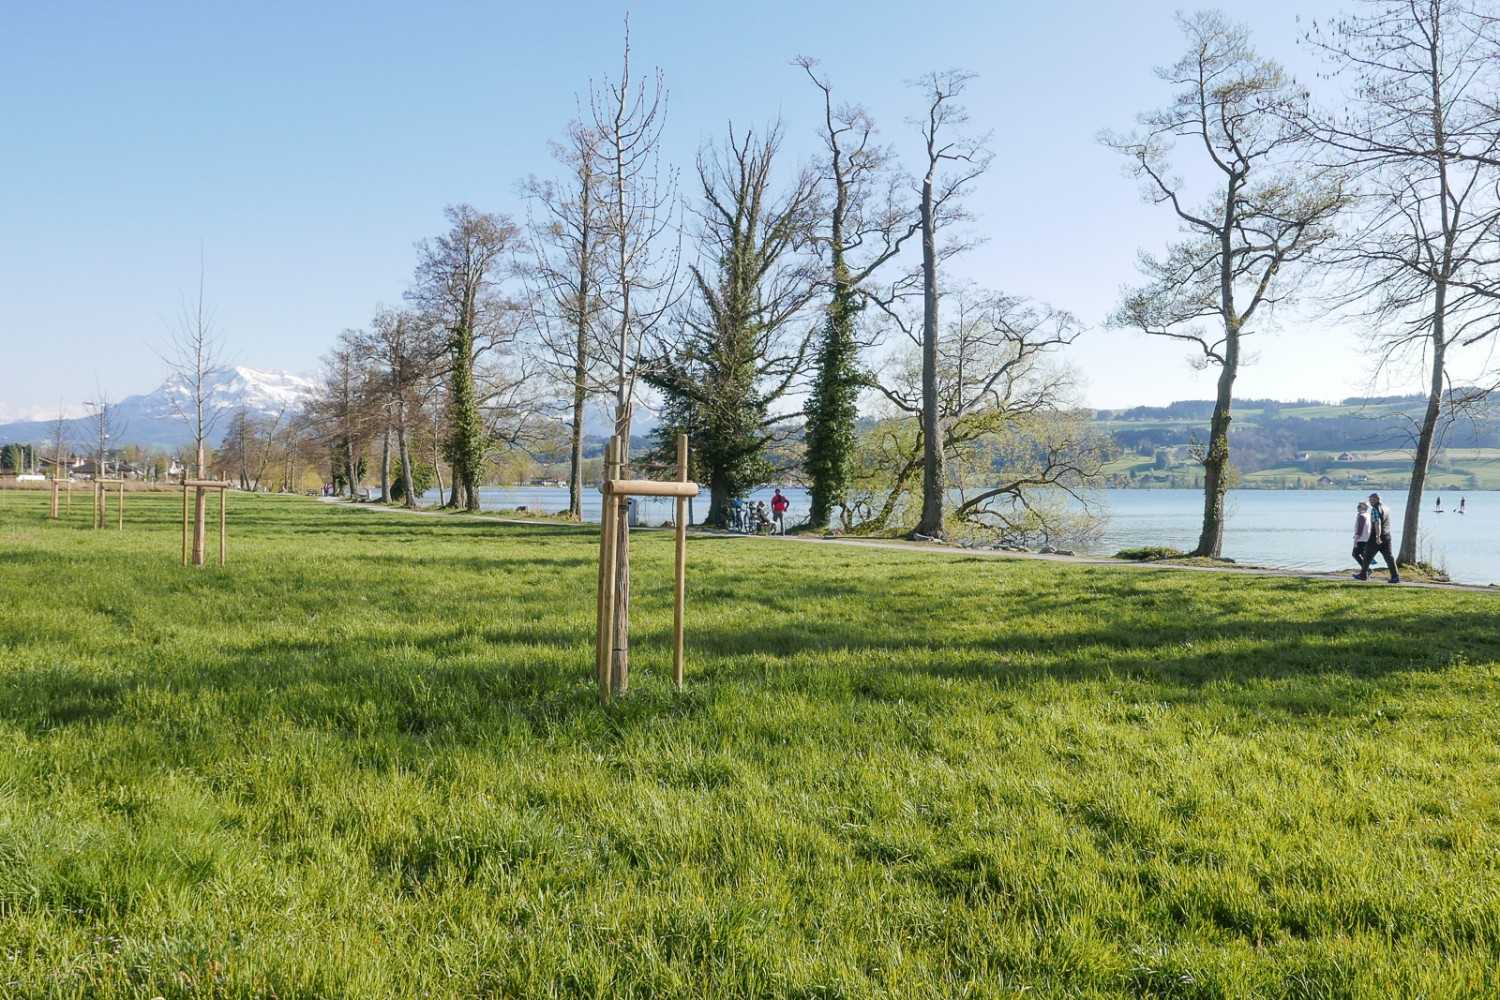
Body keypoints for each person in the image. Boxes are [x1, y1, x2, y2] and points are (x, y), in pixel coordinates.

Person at [1355, 491, 1400, 583]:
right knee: (1389, 557)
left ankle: (1363, 575)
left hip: (1376, 536)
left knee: (1367, 555)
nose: (1370, 502)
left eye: (1371, 500)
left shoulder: (1375, 509)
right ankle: (1395, 576)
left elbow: (1377, 523)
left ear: (1374, 500)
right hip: (1387, 535)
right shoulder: (1386, 508)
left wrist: (1377, 536)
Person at [1352, 500, 1370, 567]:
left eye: (1359, 506)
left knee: (1355, 554)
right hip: (1367, 538)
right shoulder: (1368, 515)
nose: (1357, 507)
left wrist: (1356, 539)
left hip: (1361, 539)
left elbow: (1360, 529)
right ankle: (1365, 570)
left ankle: (1366, 569)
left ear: (1364, 508)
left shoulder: (1362, 516)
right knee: (1363, 554)